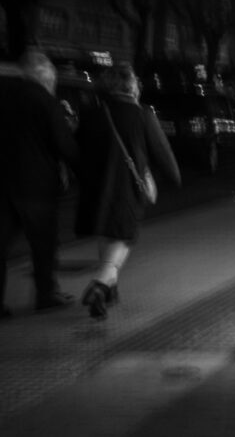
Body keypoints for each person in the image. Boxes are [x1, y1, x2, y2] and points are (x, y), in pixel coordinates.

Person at [75, 62, 180, 320]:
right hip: (126, 191)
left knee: (107, 236)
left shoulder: (92, 114)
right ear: (132, 86)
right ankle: (100, 285)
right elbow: (162, 152)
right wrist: (173, 176)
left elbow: (77, 151)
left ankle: (110, 291)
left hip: (95, 190)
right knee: (123, 238)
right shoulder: (142, 115)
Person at [0, 50, 79, 317]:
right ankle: (46, 295)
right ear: (46, 78)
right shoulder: (46, 102)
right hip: (37, 187)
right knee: (43, 243)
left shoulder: (4, 96)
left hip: (4, 184)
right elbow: (64, 146)